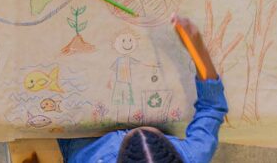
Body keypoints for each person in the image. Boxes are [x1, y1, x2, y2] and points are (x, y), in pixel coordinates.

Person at [56, 15, 227, 163]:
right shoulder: (193, 155)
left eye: (128, 140)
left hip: (87, 141)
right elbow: (212, 107)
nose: (136, 129)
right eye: (156, 137)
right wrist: (197, 49)